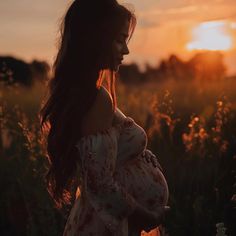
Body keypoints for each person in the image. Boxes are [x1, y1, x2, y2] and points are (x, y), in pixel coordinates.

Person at [40, 0, 169, 235]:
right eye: (119, 39)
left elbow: (103, 164)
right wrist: (146, 217)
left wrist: (140, 156)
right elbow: (99, 184)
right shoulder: (96, 98)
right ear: (95, 38)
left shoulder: (83, 92)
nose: (126, 50)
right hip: (107, 227)